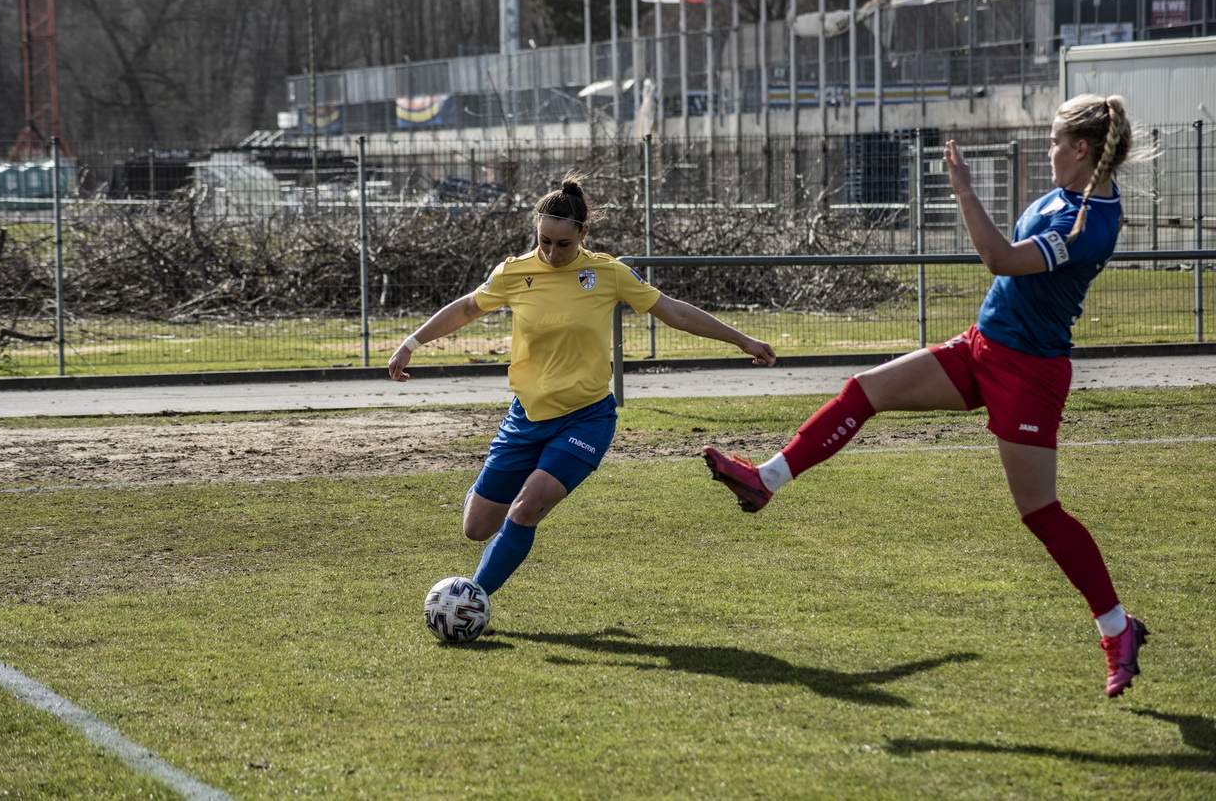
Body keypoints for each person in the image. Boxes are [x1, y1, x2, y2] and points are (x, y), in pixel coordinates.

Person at [703, 94, 1148, 698]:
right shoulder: (1065, 198)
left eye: (1052, 140)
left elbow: (999, 259)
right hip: (982, 347)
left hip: (1029, 374)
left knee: (1039, 512)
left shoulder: (1090, 223)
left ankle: (1118, 629)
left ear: (1081, 150)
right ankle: (766, 480)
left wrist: (962, 188)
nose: (1047, 150)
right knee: (865, 390)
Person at [389, 175, 776, 600]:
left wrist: (743, 340)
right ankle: (489, 496)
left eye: (563, 244)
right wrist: (412, 343)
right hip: (526, 417)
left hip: (586, 418)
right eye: (544, 242)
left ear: (583, 234)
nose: (552, 253)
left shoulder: (608, 273)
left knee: (527, 508)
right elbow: (466, 308)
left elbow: (674, 312)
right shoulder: (514, 272)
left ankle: (472, 599)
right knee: (476, 528)